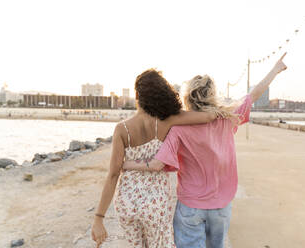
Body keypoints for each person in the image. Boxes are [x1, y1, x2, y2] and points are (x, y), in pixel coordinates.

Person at [123, 53, 288, 248]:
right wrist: (275, 70)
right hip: (221, 206)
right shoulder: (226, 118)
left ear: (187, 97)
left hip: (190, 206)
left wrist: (124, 163)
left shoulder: (178, 128)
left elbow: (158, 163)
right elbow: (253, 95)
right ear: (211, 95)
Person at [91, 69, 218, 248]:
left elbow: (113, 175)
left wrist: (99, 218)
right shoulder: (167, 120)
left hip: (127, 203)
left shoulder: (122, 129)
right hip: (155, 202)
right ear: (160, 93)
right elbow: (209, 116)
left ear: (137, 95)